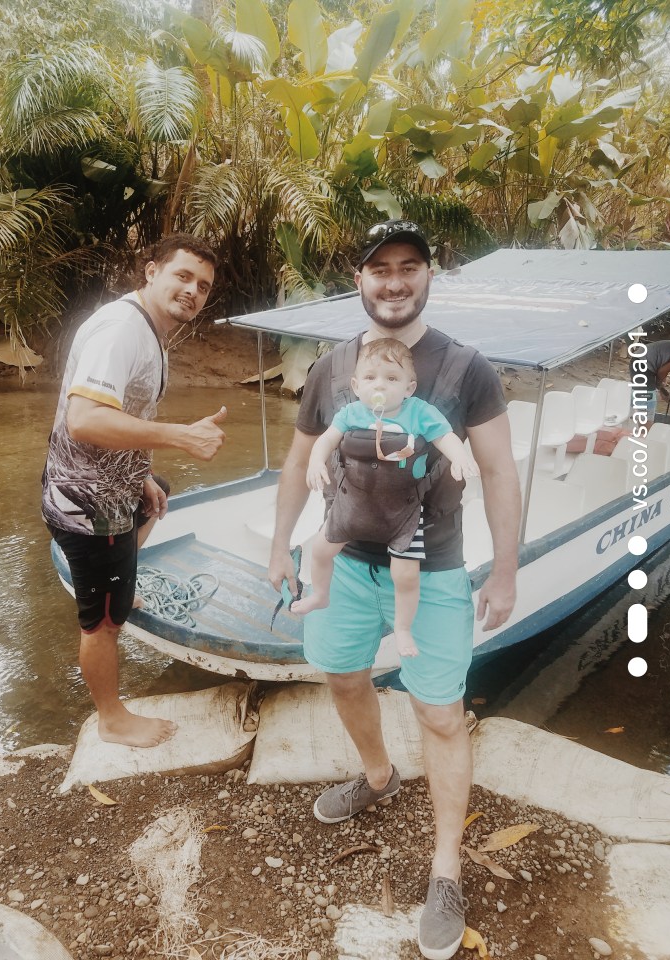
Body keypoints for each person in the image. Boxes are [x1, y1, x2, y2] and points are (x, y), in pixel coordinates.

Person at [268, 219, 520, 960]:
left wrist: (503, 569)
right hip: (343, 565)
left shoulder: (466, 368)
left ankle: (445, 870)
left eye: (409, 266)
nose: (394, 280)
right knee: (343, 676)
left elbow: (499, 469)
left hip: (432, 569)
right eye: (380, 268)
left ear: (429, 275)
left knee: (439, 716)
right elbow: (296, 462)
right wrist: (283, 549)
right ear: (359, 280)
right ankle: (378, 775)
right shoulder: (333, 367)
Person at [42, 234, 227, 749]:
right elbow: (84, 420)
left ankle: (116, 583)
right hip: (89, 509)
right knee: (102, 624)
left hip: (109, 489)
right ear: (151, 272)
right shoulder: (122, 330)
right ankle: (112, 718)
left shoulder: (147, 329)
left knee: (160, 490)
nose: (192, 290)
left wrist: (141, 474)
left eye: (203, 285)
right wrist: (180, 435)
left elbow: (113, 416)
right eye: (182, 276)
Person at [291, 337, 479, 659]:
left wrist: (459, 456)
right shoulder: (351, 413)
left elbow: (445, 436)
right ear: (356, 385)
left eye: (392, 378)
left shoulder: (419, 412)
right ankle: (321, 594)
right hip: (351, 510)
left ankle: (403, 627)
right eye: (370, 377)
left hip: (401, 515)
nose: (381, 385)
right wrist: (314, 461)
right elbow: (325, 440)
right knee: (321, 551)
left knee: (405, 575)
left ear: (409, 387)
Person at [630, 340, 670, 421]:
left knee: (645, 402)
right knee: (647, 404)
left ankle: (640, 424)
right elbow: (662, 372)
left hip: (644, 359)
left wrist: (661, 388)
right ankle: (644, 431)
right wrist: (660, 387)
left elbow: (664, 365)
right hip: (643, 362)